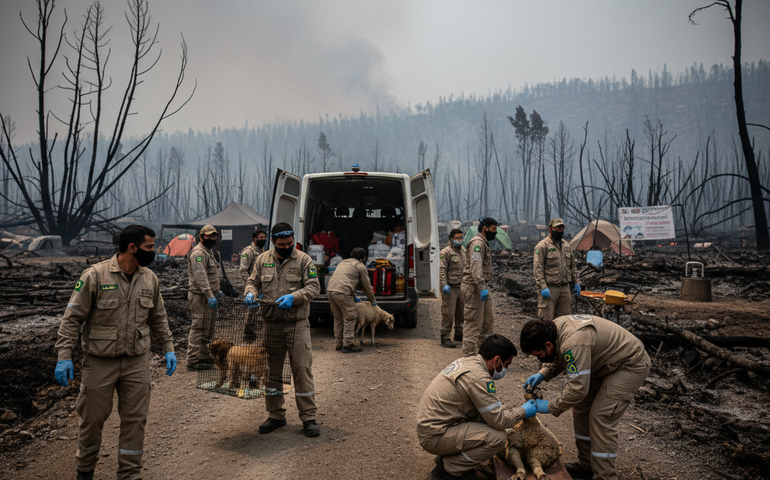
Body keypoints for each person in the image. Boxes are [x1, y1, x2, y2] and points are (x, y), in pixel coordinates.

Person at [54, 225, 176, 480]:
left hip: (136, 362)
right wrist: (64, 355)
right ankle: (85, 471)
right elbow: (72, 319)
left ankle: (129, 473)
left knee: (135, 420)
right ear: (132, 248)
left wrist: (168, 348)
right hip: (100, 362)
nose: (154, 251)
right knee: (92, 419)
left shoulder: (149, 278)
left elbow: (158, 318)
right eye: (149, 247)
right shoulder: (95, 276)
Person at [519, 316, 651, 480]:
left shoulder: (574, 343)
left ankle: (605, 476)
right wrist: (543, 373)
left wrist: (550, 406)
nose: (540, 359)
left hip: (628, 364)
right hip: (601, 363)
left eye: (539, 355)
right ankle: (586, 466)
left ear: (548, 345)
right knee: (581, 408)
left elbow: (578, 388)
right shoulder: (553, 330)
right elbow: (561, 356)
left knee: (601, 416)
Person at [416, 334, 546, 480]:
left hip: (434, 426)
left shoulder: (469, 362)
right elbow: (498, 420)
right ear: (497, 360)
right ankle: (448, 470)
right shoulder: (479, 377)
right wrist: (523, 411)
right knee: (498, 438)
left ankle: (446, 456)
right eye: (506, 365)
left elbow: (490, 409)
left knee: (484, 416)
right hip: (435, 436)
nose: (506, 369)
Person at [243, 222, 321, 437]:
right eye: (282, 244)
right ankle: (276, 415)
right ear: (273, 242)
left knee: (302, 369)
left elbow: (314, 287)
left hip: (297, 324)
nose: (286, 247)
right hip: (271, 325)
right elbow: (253, 282)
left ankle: (309, 417)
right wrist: (250, 293)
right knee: (272, 372)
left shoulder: (304, 260)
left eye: (289, 243)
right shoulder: (262, 259)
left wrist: (294, 297)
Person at [186, 224, 222, 370]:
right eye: (208, 236)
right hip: (200, 296)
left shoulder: (209, 252)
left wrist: (216, 291)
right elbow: (200, 276)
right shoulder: (198, 253)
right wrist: (209, 295)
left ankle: (205, 357)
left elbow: (211, 275)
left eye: (214, 236)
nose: (212, 238)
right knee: (199, 327)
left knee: (208, 327)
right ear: (201, 237)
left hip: (209, 296)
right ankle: (194, 360)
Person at [327, 246, 376, 352]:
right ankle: (348, 344)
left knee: (338, 317)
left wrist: (354, 296)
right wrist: (373, 301)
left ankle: (339, 343)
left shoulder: (342, 262)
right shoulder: (360, 266)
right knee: (351, 315)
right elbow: (367, 287)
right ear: (363, 258)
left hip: (330, 290)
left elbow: (345, 279)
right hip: (343, 291)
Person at [461, 217, 498, 357]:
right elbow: (475, 266)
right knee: (473, 322)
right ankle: (468, 356)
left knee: (487, 321)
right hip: (474, 287)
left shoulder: (484, 243)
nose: (495, 232)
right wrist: (482, 287)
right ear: (485, 228)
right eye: (493, 229)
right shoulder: (477, 243)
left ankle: (484, 354)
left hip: (481, 286)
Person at [533, 218, 579, 322]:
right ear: (550, 228)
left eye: (561, 228)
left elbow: (572, 266)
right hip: (550, 288)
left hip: (565, 289)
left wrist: (576, 282)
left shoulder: (566, 245)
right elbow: (538, 268)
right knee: (546, 321)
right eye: (557, 228)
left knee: (563, 321)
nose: (560, 230)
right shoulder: (542, 246)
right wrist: (543, 287)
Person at [439, 229, 466, 348]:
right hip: (450, 287)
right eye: (457, 238)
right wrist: (444, 284)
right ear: (451, 238)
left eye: (461, 237)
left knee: (461, 312)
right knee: (448, 313)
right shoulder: (445, 252)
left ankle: (459, 333)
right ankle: (445, 336)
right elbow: (442, 270)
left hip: (462, 287)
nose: (459, 240)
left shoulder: (463, 252)